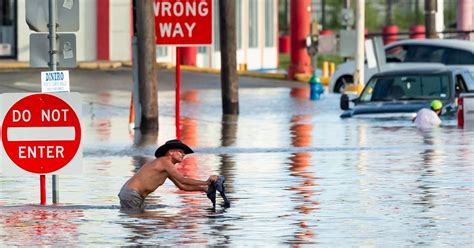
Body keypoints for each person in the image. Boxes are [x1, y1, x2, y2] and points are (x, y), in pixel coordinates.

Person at [118, 139, 218, 212]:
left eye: (184, 153)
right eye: (180, 151)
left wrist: (204, 189)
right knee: (140, 223)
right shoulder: (165, 161)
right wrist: (206, 182)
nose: (183, 154)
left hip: (133, 195)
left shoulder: (167, 167)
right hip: (131, 194)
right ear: (170, 152)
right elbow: (183, 180)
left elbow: (182, 186)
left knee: (143, 223)